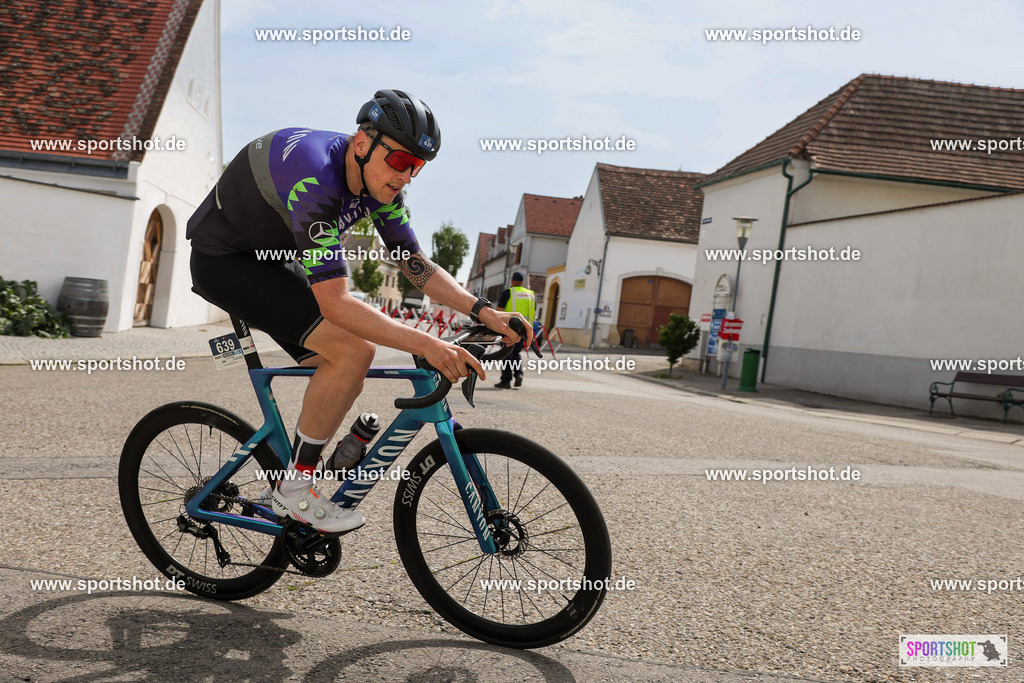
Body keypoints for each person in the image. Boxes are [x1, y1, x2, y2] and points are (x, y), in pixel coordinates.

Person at [186, 89, 532, 533]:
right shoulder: (315, 177)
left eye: (418, 168)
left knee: (338, 366)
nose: (407, 177)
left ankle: (299, 475)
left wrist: (484, 312)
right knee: (353, 352)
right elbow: (337, 303)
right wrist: (428, 343)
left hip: (274, 258)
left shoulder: (378, 184)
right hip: (225, 261)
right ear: (364, 144)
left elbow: (415, 265)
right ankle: (294, 490)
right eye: (402, 162)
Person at [494, 272, 535, 389]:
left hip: (508, 330)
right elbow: (533, 313)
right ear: (522, 282)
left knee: (506, 354)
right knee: (516, 353)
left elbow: (498, 311)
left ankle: (506, 381)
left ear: (512, 281)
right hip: (524, 330)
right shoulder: (531, 294)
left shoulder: (508, 292)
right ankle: (518, 374)